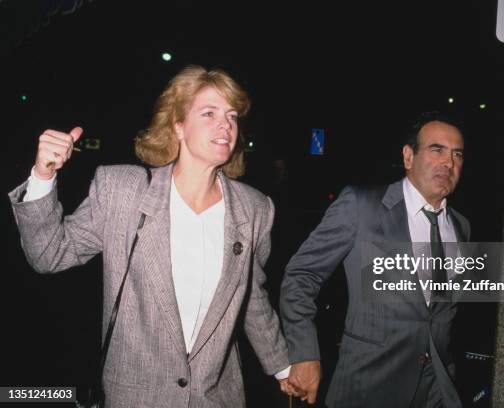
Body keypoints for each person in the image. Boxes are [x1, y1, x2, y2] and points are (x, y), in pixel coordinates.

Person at [9, 65, 294, 407]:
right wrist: (43, 175)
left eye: (232, 115)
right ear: (178, 126)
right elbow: (48, 255)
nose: (226, 125)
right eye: (209, 113)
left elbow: (251, 295)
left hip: (216, 398)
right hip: (135, 397)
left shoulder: (254, 208)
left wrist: (283, 366)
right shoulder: (123, 190)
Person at [280, 112, 470, 408]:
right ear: (409, 157)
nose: (449, 162)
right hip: (368, 388)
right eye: (437, 150)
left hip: (438, 391)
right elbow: (302, 275)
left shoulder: (461, 227)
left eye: (457, 154)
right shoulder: (361, 206)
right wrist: (304, 352)